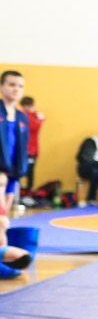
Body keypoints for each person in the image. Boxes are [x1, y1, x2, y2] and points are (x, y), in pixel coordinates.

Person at [0, 71, 29, 216]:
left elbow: (23, 145)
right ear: (1, 87)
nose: (16, 89)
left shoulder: (22, 116)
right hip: (1, 167)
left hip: (13, 167)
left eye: (20, 86)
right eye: (12, 85)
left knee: (5, 214)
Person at [20, 96, 43, 194]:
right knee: (19, 171)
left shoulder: (36, 116)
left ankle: (29, 193)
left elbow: (34, 128)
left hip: (32, 150)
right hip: (22, 149)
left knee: (30, 172)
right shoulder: (22, 116)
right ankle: (18, 192)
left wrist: (33, 113)